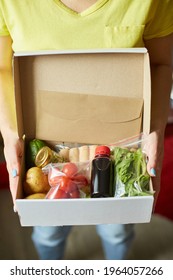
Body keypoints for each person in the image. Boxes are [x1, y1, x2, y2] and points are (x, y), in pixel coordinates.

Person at [0, 0, 172, 260]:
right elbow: (3, 67)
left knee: (117, 232)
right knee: (48, 233)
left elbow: (161, 63)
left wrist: (155, 130)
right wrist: (10, 135)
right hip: (44, 135)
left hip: (122, 138)